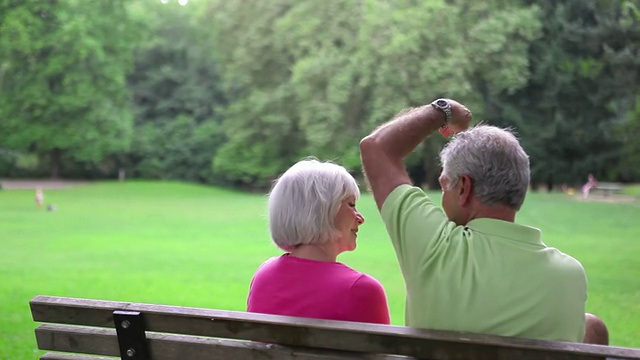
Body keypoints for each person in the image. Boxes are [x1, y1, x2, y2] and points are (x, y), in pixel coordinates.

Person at [359, 98, 607, 343]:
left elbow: (377, 148)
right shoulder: (570, 276)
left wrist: (444, 110)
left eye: (445, 185)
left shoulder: (436, 248)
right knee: (593, 326)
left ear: (464, 187)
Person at [247, 158, 391, 324]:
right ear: (322, 211)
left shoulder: (264, 275)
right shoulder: (361, 289)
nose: (360, 218)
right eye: (351, 205)